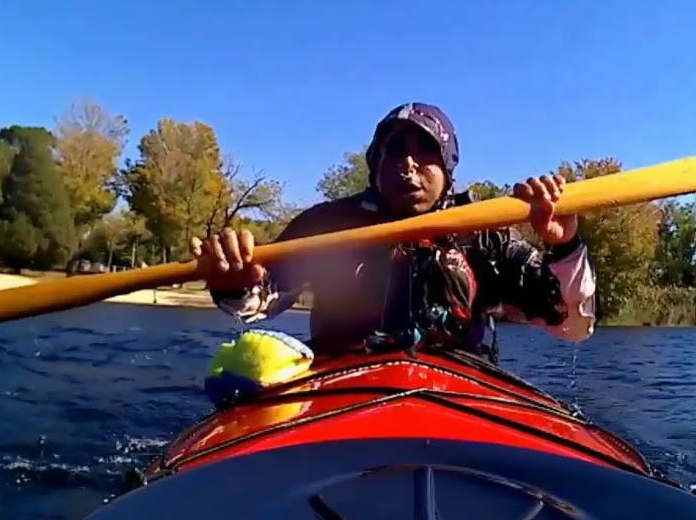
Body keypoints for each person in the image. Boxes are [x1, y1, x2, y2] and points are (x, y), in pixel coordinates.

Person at [191, 102, 596, 360]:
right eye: (395, 152)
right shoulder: (327, 225)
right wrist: (240, 281)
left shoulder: (485, 232)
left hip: (458, 390)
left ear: (448, 167)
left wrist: (564, 245)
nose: (408, 165)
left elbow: (573, 326)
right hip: (341, 387)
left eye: (425, 153)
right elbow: (254, 304)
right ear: (375, 164)